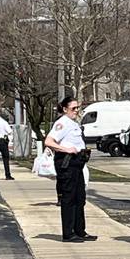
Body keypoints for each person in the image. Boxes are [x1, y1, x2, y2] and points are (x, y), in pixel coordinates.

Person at [44, 96, 95, 243]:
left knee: (80, 198)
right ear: (65, 109)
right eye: (73, 108)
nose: (76, 111)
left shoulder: (73, 123)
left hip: (77, 163)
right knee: (69, 198)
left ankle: (80, 230)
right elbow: (49, 141)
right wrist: (65, 149)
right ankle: (68, 232)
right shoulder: (62, 123)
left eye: (77, 108)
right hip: (67, 163)